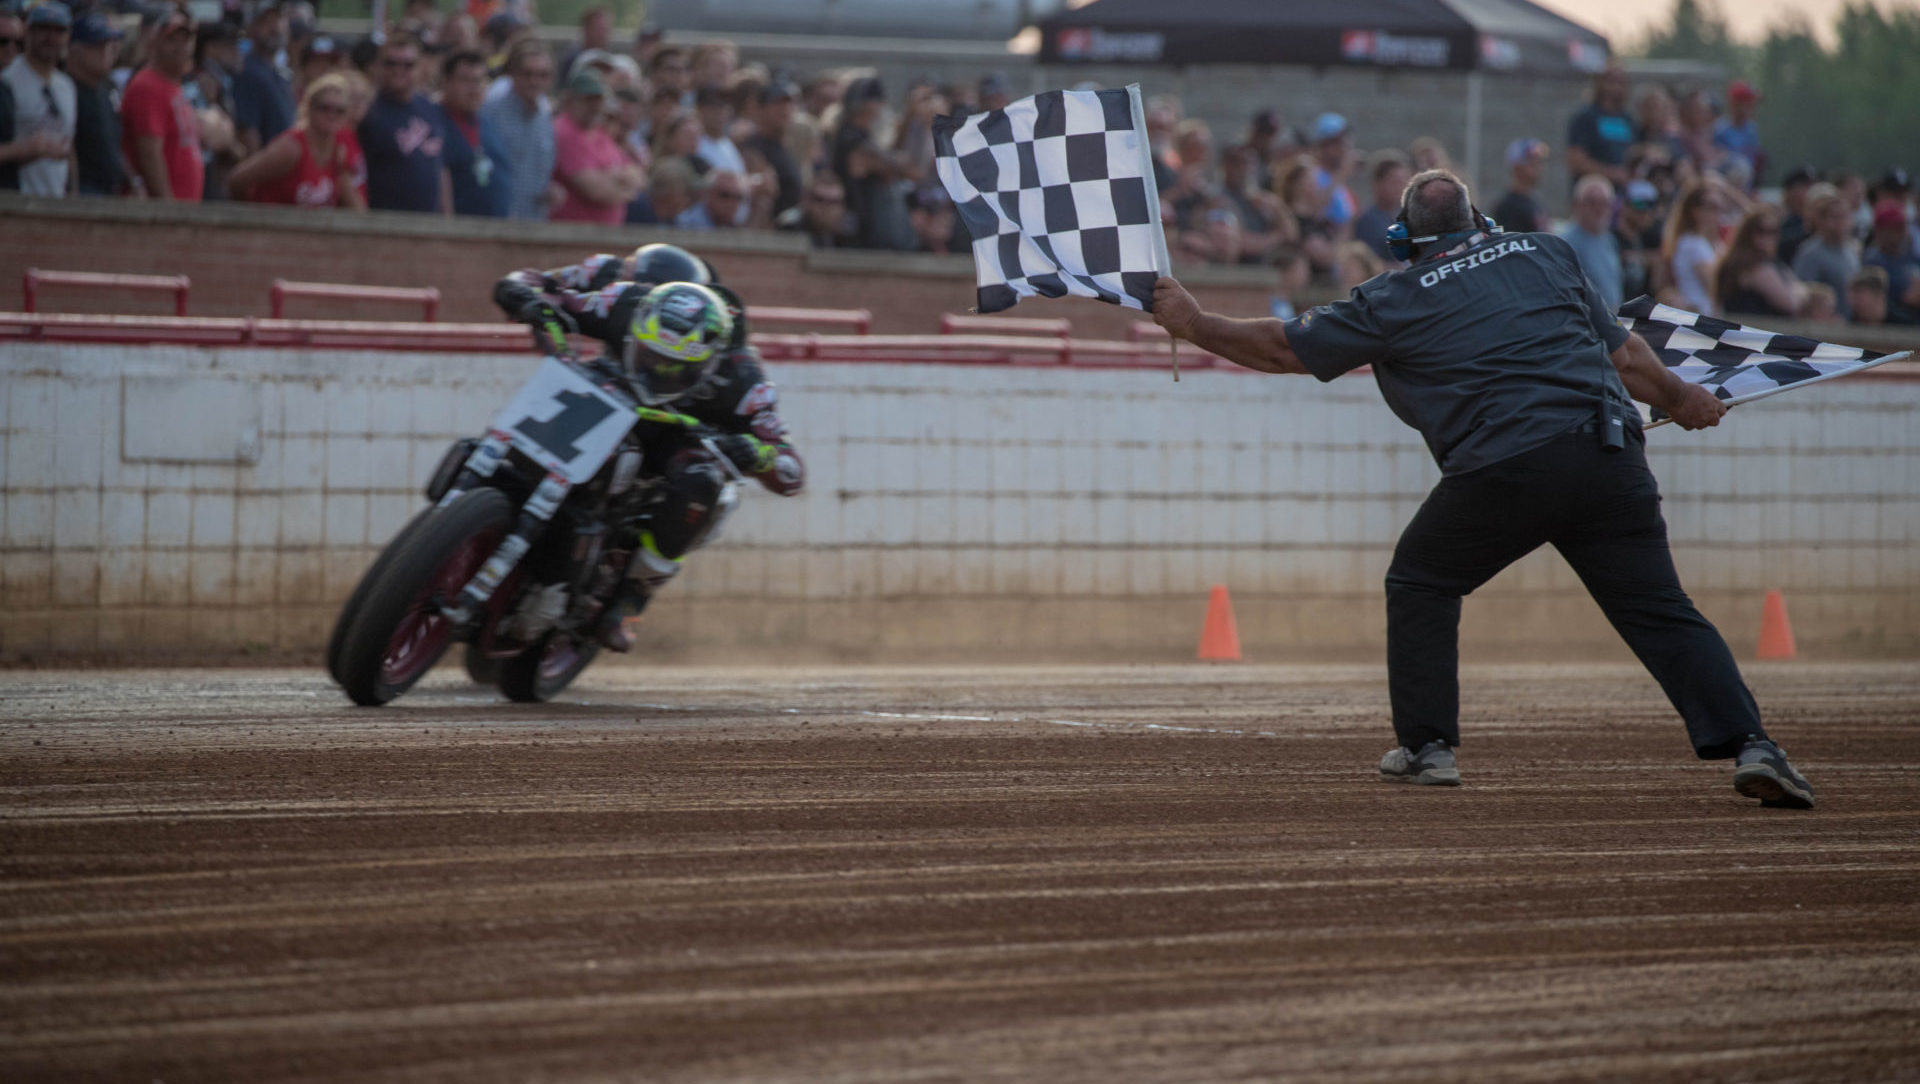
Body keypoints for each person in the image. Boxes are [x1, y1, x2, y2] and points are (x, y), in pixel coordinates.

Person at [1149, 167, 1815, 810]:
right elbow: (1629, 356)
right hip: (1609, 454)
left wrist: (1195, 324)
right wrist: (1685, 398)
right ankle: (1754, 746)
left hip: (1506, 464)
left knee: (1421, 580)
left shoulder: (1393, 294)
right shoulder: (1546, 253)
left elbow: (1284, 349)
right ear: (1482, 223)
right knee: (1662, 608)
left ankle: (1427, 746)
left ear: (1404, 240)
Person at [492, 261, 804, 652]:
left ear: (710, 360)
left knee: (704, 482)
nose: (657, 367)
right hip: (607, 395)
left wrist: (757, 454)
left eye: (673, 366)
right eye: (649, 353)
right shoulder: (624, 301)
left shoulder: (744, 379)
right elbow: (552, 292)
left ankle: (629, 599)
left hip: (677, 433)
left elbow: (792, 471)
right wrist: (521, 294)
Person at [228, 71, 362, 208]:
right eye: (324, 108)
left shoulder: (338, 152)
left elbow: (357, 210)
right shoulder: (291, 148)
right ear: (309, 108)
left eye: (339, 111)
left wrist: (343, 174)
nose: (331, 115)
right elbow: (236, 180)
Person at [119, 6, 202, 201]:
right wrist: (167, 208)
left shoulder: (173, 85)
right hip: (162, 214)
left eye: (185, 41)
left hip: (185, 210)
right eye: (171, 40)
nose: (180, 47)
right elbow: (149, 154)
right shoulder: (147, 85)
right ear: (154, 42)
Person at [549, 66, 641, 223]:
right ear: (571, 100)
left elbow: (637, 178)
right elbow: (596, 191)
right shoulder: (564, 131)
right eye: (588, 99)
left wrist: (612, 178)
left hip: (604, 234)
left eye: (598, 99)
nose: (595, 106)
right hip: (572, 235)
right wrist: (620, 182)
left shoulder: (599, 131)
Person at [832, 76, 915, 251]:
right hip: (859, 228)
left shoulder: (860, 134)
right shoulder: (850, 137)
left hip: (863, 227)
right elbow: (906, 169)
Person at [3, 0, 75, 197]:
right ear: (28, 32)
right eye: (43, 29)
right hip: (16, 199)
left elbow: (69, 147)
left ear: (67, 36)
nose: (50, 38)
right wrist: (29, 149)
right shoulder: (7, 81)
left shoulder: (66, 86)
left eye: (58, 31)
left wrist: (73, 196)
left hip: (56, 198)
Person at [478, 38, 553, 219]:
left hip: (533, 220)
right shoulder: (491, 107)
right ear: (513, 74)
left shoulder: (545, 112)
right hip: (495, 219)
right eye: (527, 74)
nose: (534, 81)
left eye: (543, 75)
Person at [435, 47, 505, 216]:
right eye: (466, 80)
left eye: (479, 80)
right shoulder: (434, 125)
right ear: (447, 82)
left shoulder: (486, 123)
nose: (474, 89)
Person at [67, 12, 126, 196]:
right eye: (98, 45)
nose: (107, 50)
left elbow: (116, 144)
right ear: (76, 49)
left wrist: (134, 180)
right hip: (82, 191)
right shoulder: (66, 89)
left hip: (111, 189)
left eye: (109, 44)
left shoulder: (109, 86)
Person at [1714, 208, 1806, 318]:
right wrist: (1799, 292)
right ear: (1747, 233)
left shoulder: (1771, 263)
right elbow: (1791, 304)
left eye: (1773, 232)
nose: (1767, 238)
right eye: (1760, 231)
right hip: (1754, 329)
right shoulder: (1755, 268)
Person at [230, 0, 294, 158]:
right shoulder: (247, 72)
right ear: (251, 28)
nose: (275, 27)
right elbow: (247, 134)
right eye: (266, 22)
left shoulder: (279, 73)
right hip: (266, 173)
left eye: (279, 20)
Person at [1790, 186, 1860, 319]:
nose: (1841, 223)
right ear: (1821, 220)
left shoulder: (1852, 251)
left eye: (1844, 217)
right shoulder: (1810, 253)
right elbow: (1802, 295)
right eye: (1835, 217)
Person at [1560, 174, 1623, 311]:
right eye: (1591, 202)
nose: (1598, 209)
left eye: (1604, 203)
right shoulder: (1566, 243)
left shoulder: (1609, 239)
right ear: (1576, 205)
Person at [1566, 62, 1632, 189]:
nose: (1615, 88)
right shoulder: (1585, 118)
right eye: (1611, 81)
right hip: (1593, 194)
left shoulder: (1628, 120)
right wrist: (1613, 174)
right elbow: (1575, 161)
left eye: (1620, 82)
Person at [1661, 181, 1722, 314]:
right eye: (1712, 206)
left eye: (1719, 207)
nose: (1717, 213)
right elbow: (1715, 287)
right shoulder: (1693, 244)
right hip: (1700, 315)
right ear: (1695, 210)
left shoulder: (1692, 241)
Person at [1862, 200, 1920, 325]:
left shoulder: (1909, 255)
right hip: (1891, 330)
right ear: (1880, 230)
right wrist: (1906, 299)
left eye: (1901, 228)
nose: (1899, 233)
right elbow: (1876, 307)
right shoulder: (1873, 261)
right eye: (1893, 229)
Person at [1351, 149, 1411, 264]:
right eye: (1395, 182)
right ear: (1377, 184)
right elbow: (1371, 266)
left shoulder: (1408, 217)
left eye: (1404, 182)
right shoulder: (1367, 221)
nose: (1401, 188)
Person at [1616, 179, 1666, 303]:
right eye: (1639, 204)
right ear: (1625, 205)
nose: (1645, 212)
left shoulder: (1653, 235)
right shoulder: (1611, 238)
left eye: (1651, 205)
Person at [775, 169, 853, 247]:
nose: (826, 207)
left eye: (833, 202)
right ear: (806, 200)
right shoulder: (789, 228)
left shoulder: (849, 234)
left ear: (842, 206)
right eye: (819, 199)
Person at [1492, 138, 1550, 235]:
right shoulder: (1508, 207)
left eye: (1540, 162)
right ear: (1517, 167)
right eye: (1532, 163)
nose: (1540, 168)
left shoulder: (1534, 202)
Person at [1712, 80, 1764, 186]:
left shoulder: (1752, 129)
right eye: (1747, 103)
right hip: (1726, 187)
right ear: (1734, 104)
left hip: (1747, 189)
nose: (1752, 107)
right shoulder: (1719, 129)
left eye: (1752, 104)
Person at [1774, 165, 1816, 264]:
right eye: (1804, 187)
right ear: (1789, 192)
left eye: (1810, 187)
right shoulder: (1778, 220)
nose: (1810, 192)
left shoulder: (1816, 222)